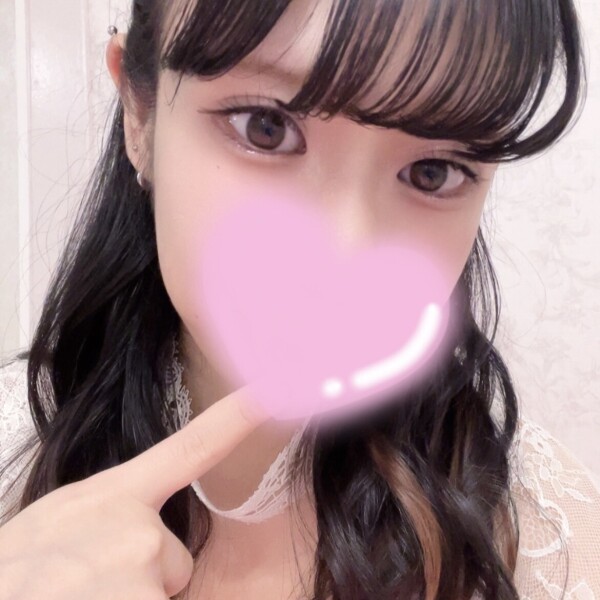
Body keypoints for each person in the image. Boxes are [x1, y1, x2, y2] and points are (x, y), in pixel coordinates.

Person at [0, 0, 599, 598]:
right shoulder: (14, 465)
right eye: (265, 126)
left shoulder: (549, 542)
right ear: (140, 115)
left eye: (434, 172)